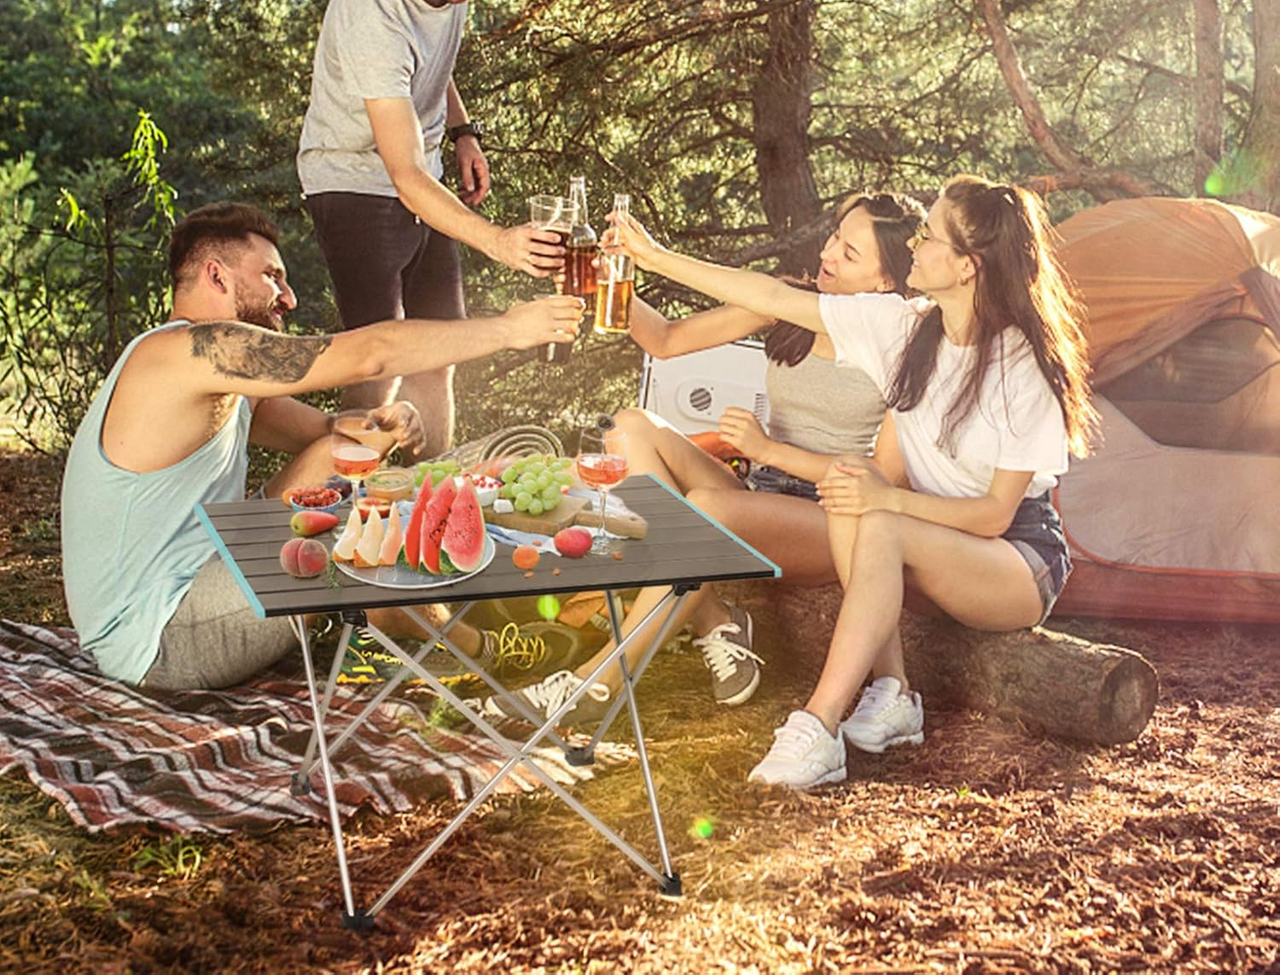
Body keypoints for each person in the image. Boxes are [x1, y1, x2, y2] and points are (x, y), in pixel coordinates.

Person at [602, 176, 1096, 789]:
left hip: (1014, 560)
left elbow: (996, 515)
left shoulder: (1021, 366)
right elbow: (766, 294)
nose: (916, 243)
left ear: (967, 267)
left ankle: (820, 724)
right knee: (856, 481)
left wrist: (884, 499)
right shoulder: (906, 327)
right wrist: (652, 257)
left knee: (874, 508)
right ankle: (893, 694)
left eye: (929, 235)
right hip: (925, 532)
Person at [60, 202, 584, 692]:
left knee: (339, 462)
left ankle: (409, 615)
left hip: (204, 573)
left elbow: (334, 437)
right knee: (368, 530)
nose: (288, 297)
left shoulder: (217, 376)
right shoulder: (186, 351)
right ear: (216, 275)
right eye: (272, 277)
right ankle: (487, 654)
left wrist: (391, 423)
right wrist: (509, 330)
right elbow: (370, 356)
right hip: (159, 637)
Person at [481, 192, 924, 727]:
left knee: (706, 508)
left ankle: (598, 682)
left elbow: (883, 482)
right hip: (759, 496)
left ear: (884, 283)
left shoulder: (904, 339)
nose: (829, 255)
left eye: (850, 254)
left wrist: (768, 449)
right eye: (835, 238)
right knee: (629, 427)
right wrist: (603, 280)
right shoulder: (791, 304)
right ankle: (715, 616)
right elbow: (666, 340)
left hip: (833, 521)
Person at [297, 0, 563, 459]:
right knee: (377, 365)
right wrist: (498, 241)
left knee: (440, 356)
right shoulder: (374, 17)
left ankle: (434, 492)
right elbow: (405, 174)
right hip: (353, 182)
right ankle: (352, 507)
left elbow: (428, 66)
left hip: (423, 174)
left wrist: (464, 130)